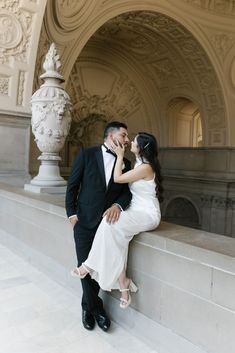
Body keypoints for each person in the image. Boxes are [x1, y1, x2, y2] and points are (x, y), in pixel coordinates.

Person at [71, 132, 163, 310]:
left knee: (108, 222)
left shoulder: (146, 167)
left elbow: (117, 179)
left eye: (134, 141)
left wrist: (120, 156)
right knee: (115, 233)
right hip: (134, 211)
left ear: (142, 147)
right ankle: (124, 285)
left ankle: (89, 265)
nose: (130, 143)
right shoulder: (138, 164)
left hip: (147, 214)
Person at [65, 121, 132, 332]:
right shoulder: (87, 154)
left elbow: (127, 192)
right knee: (84, 266)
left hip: (108, 225)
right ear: (111, 136)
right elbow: (72, 185)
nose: (127, 140)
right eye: (124, 135)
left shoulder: (126, 164)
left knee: (95, 266)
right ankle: (97, 309)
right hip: (83, 221)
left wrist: (117, 205)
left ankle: (88, 308)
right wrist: (72, 215)